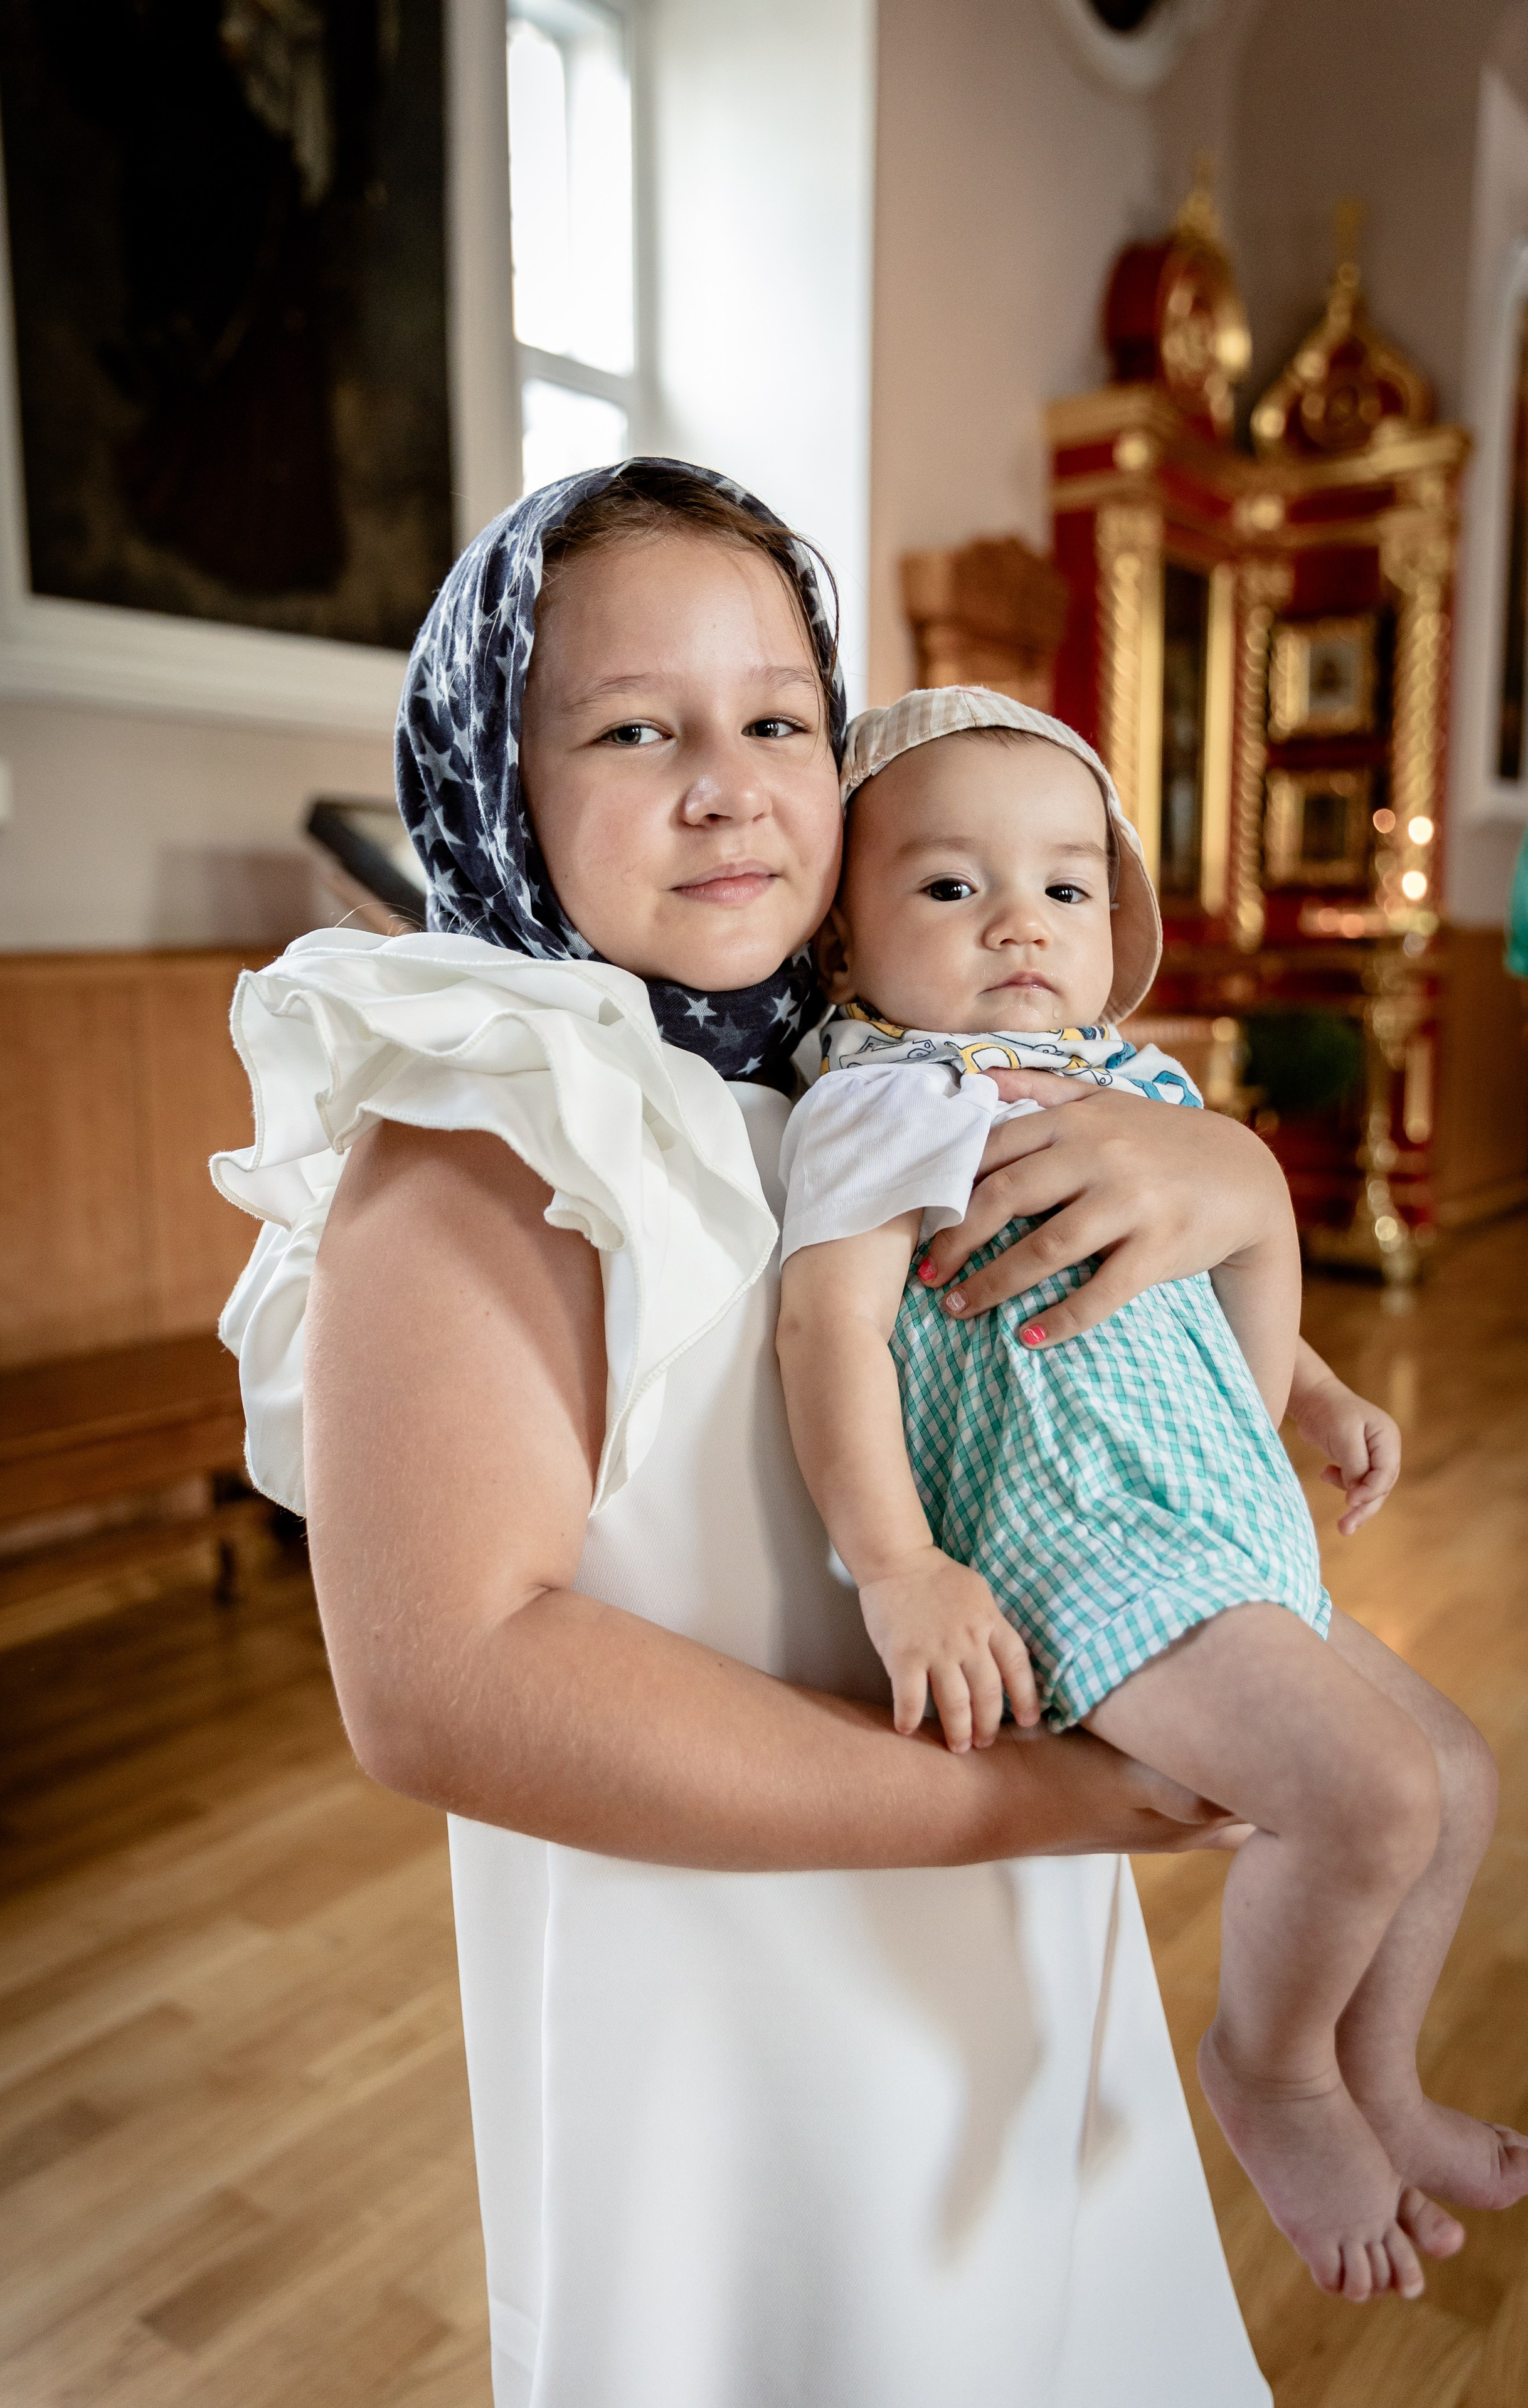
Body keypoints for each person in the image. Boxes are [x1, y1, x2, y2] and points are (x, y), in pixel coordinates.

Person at [212, 460, 1459, 2407]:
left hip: (996, 1935)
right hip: (733, 2014)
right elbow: (445, 1687)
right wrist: (1048, 1801)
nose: (729, 788)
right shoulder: (482, 1137)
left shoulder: (856, 1067)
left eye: (780, 722)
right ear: (495, 778)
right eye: (635, 730)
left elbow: (1085, 1343)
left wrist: (1226, 1178)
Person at [775, 685, 1525, 2307]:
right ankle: (1275, 2071)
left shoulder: (1132, 1083)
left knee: (1458, 1779)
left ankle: (1380, 2077)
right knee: (1371, 1798)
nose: (1021, 924)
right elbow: (824, 1328)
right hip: (1079, 1535)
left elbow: (1185, 1272)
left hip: (1212, 1514)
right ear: (839, 934)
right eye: (951, 884)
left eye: (1066, 884)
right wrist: (897, 1567)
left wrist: (1316, 1390)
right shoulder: (883, 1099)